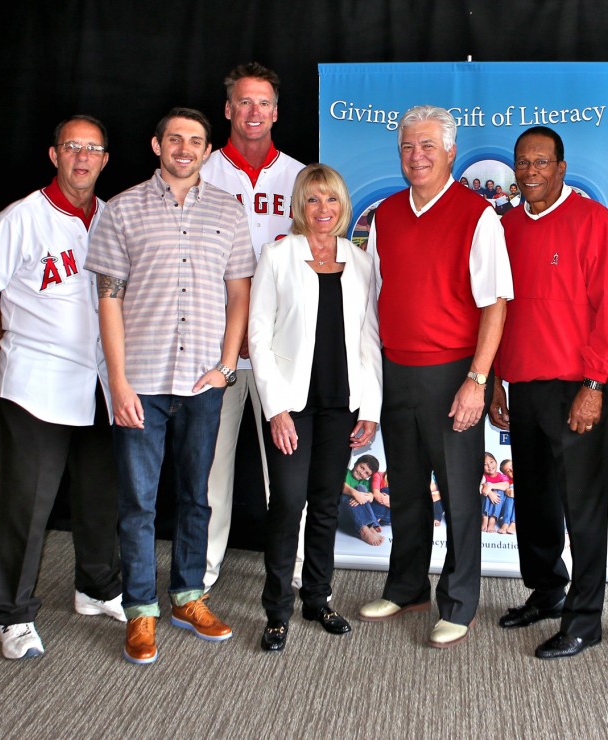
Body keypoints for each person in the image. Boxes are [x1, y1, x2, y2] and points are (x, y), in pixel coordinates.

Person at [85, 107, 254, 665]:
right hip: (142, 383)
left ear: (209, 150)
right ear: (157, 145)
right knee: (137, 503)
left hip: (203, 383)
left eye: (197, 141)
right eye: (175, 139)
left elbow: (238, 294)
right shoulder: (122, 210)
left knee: (195, 497)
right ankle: (140, 611)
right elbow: (108, 299)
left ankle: (187, 596)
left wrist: (226, 366)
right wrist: (118, 382)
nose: (186, 148)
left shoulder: (229, 212)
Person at [0, 115, 125, 660]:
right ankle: (12, 614)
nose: (82, 157)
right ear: (54, 155)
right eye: (71, 147)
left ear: (104, 159)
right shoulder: (20, 218)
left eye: (92, 149)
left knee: (100, 497)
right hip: (35, 385)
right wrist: (19, 341)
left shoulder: (111, 217)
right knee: (27, 507)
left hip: (99, 381)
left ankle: (95, 588)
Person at [358, 104, 513, 649]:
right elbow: (373, 297)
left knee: (459, 495)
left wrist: (477, 380)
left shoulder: (477, 215)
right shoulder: (387, 214)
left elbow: (495, 304)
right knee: (404, 489)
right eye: (407, 147)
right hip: (396, 369)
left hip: (452, 375)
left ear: (450, 151)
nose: (416, 156)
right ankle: (406, 587)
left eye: (428, 146)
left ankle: (460, 601)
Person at [489, 125, 608, 659]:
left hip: (580, 385)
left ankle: (585, 617)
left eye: (541, 162)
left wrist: (595, 384)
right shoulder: (505, 227)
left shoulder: (593, 220)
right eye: (523, 163)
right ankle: (547, 590)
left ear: (561, 168)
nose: (530, 172)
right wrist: (499, 379)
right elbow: (500, 311)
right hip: (523, 385)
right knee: (537, 500)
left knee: (584, 506)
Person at [248, 163, 382, 652]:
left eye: (330, 200)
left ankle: (318, 597)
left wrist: (371, 406)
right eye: (312, 200)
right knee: (287, 503)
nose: (322, 210)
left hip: (341, 405)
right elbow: (258, 336)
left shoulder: (362, 260)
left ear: (342, 206)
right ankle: (277, 609)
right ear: (299, 206)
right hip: (292, 405)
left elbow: (370, 339)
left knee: (327, 503)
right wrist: (276, 409)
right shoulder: (278, 255)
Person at [202, 62, 305, 592]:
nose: (254, 112)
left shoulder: (300, 177)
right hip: (215, 347)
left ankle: (295, 573)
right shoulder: (201, 170)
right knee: (211, 466)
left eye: (263, 103)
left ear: (276, 112)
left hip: (280, 349)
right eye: (244, 102)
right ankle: (203, 569)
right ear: (228, 109)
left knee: (286, 473)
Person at [339, 454, 387, 546]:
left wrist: (370, 496)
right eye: (362, 467)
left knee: (362, 488)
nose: (362, 473)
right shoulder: (345, 472)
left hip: (353, 520)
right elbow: (339, 485)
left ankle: (369, 525)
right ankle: (365, 530)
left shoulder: (366, 483)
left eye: (367, 473)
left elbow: (371, 499)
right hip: (342, 513)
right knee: (354, 492)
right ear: (356, 463)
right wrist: (355, 494)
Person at [480, 451, 510, 533]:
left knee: (497, 488)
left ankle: (492, 520)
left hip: (498, 509)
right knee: (486, 483)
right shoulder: (484, 476)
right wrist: (490, 492)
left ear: (496, 462)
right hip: (483, 507)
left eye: (491, 462)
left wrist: (490, 487)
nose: (489, 466)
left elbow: (506, 485)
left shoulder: (501, 476)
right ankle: (485, 518)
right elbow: (480, 487)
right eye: (485, 464)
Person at [497, 459, 515, 534]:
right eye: (508, 471)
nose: (511, 470)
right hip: (508, 502)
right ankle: (506, 522)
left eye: (512, 466)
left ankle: (513, 523)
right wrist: (507, 490)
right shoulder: (507, 481)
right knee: (510, 490)